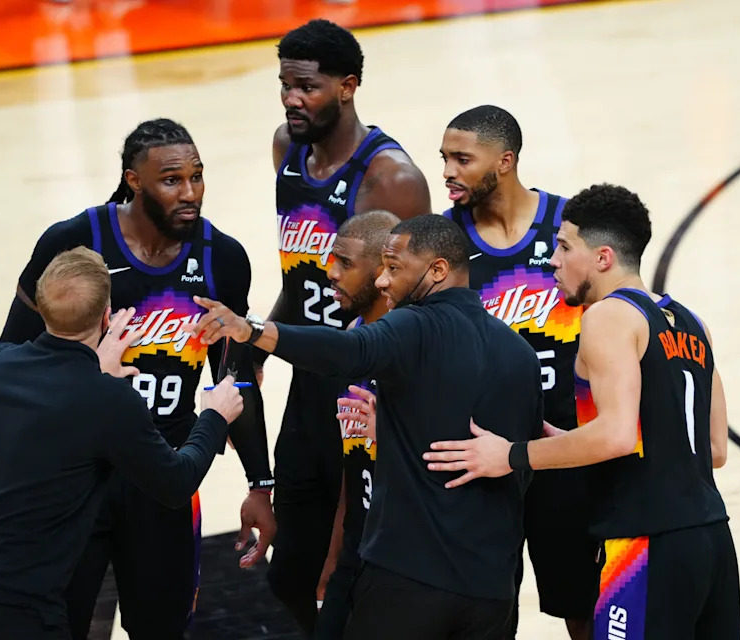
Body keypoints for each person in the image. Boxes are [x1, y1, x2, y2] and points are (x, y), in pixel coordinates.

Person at [193, 214, 544, 640]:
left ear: (437, 271)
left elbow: (350, 349)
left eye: (394, 269)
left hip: (410, 578)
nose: (382, 281)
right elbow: (516, 468)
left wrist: (253, 332)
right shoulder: (521, 354)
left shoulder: (415, 325)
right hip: (492, 589)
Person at [0, 118, 276, 640]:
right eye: (172, 180)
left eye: (197, 176)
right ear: (134, 181)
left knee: (163, 628)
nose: (189, 192)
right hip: (79, 476)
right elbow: (11, 362)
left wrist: (260, 482)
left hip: (165, 473)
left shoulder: (223, 258)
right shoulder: (74, 241)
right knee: (67, 624)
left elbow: (234, 382)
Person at [424, 184, 740, 640]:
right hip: (711, 539)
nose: (553, 260)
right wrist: (572, 444)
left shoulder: (607, 317)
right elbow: (712, 448)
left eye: (565, 246)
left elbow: (614, 435)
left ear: (603, 258)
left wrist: (513, 455)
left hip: (643, 543)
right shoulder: (693, 323)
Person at [0, 247, 245, 640]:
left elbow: (58, 406)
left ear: (42, 307)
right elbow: (176, 482)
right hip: (22, 613)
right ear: (107, 314)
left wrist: (94, 367)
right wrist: (213, 417)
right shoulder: (107, 399)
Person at [265, 18, 432, 635]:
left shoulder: (391, 179)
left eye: (305, 87)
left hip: (363, 380)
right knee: (291, 575)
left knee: (348, 565)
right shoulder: (286, 148)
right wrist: (258, 350)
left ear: (347, 86)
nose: (291, 99)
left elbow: (413, 301)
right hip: (308, 369)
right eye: (285, 85)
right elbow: (298, 275)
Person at [439, 105, 594, 639]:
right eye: (444, 159)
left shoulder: (570, 225)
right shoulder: (444, 243)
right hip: (481, 454)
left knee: (583, 601)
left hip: (565, 447)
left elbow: (614, 314)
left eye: (462, 159)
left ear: (504, 161)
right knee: (486, 610)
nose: (448, 173)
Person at [310, 210, 398, 640]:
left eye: (345, 263)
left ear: (384, 271)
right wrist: (335, 551)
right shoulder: (353, 336)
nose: (331, 272)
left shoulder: (416, 349)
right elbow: (354, 462)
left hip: (406, 557)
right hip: (358, 546)